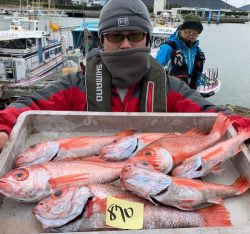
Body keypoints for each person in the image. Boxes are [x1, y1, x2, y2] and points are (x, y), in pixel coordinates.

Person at [0, 0, 249, 152]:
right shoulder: (75, 85)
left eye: (135, 36)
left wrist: (243, 129)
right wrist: (3, 128)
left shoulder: (170, 88)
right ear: (102, 40)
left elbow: (213, 114)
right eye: (116, 36)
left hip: (150, 177)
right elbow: (27, 106)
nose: (126, 45)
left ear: (148, 40)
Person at [156, 13, 205, 90]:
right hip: (170, 90)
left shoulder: (198, 51)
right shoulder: (168, 47)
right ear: (181, 30)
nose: (191, 35)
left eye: (195, 34)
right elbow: (156, 69)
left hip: (190, 91)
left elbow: (198, 73)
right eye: (188, 32)